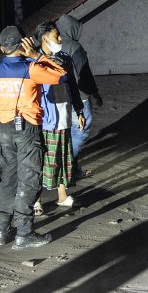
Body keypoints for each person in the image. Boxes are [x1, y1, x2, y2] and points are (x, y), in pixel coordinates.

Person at [0, 26, 67, 249]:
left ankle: (1, 230)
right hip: (27, 128)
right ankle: (24, 232)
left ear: (2, 48)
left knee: (8, 177)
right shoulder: (31, 68)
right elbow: (62, 76)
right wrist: (36, 55)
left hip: (5, 128)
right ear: (23, 45)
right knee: (29, 178)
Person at [34, 21, 86, 210]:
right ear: (45, 38)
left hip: (63, 116)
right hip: (44, 120)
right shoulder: (34, 61)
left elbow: (72, 87)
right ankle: (36, 200)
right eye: (56, 35)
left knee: (63, 158)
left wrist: (79, 111)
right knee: (43, 161)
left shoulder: (64, 58)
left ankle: (62, 196)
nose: (60, 38)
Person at [54, 13, 104, 178]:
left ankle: (72, 169)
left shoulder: (50, 45)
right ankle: (64, 165)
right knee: (82, 129)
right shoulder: (74, 47)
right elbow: (85, 74)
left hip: (56, 97)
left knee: (66, 132)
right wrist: (94, 93)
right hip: (77, 96)